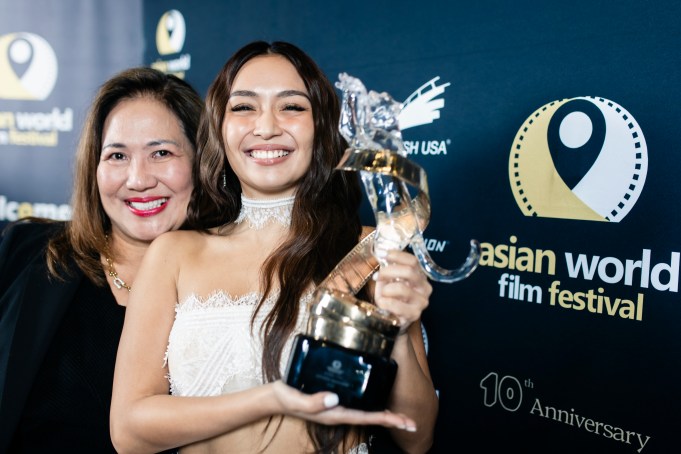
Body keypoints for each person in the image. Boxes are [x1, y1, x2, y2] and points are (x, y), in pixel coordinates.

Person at [111, 41, 438, 454]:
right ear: (219, 126)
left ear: (322, 125)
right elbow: (128, 432)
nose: (266, 127)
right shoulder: (173, 253)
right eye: (244, 107)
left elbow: (416, 437)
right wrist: (271, 400)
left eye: (292, 107)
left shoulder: (372, 250)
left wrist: (400, 327)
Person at [0, 67, 203, 452]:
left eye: (161, 152)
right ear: (94, 168)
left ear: (201, 163)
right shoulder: (24, 252)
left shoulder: (232, 287)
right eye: (117, 155)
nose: (138, 179)